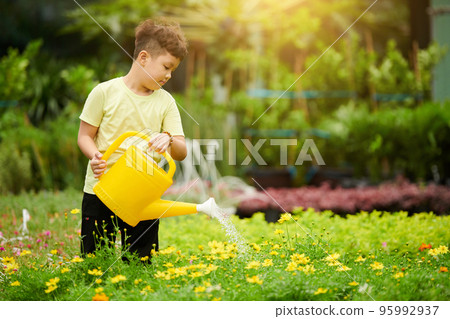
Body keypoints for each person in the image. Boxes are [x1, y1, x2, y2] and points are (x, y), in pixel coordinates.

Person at [77, 18, 188, 261]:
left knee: (141, 261)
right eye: (167, 67)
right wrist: (95, 156)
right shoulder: (104, 92)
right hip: (100, 189)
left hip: (142, 193)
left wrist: (168, 139)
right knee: (94, 261)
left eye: (173, 70)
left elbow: (181, 151)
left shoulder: (165, 102)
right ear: (144, 57)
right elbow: (85, 136)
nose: (169, 75)